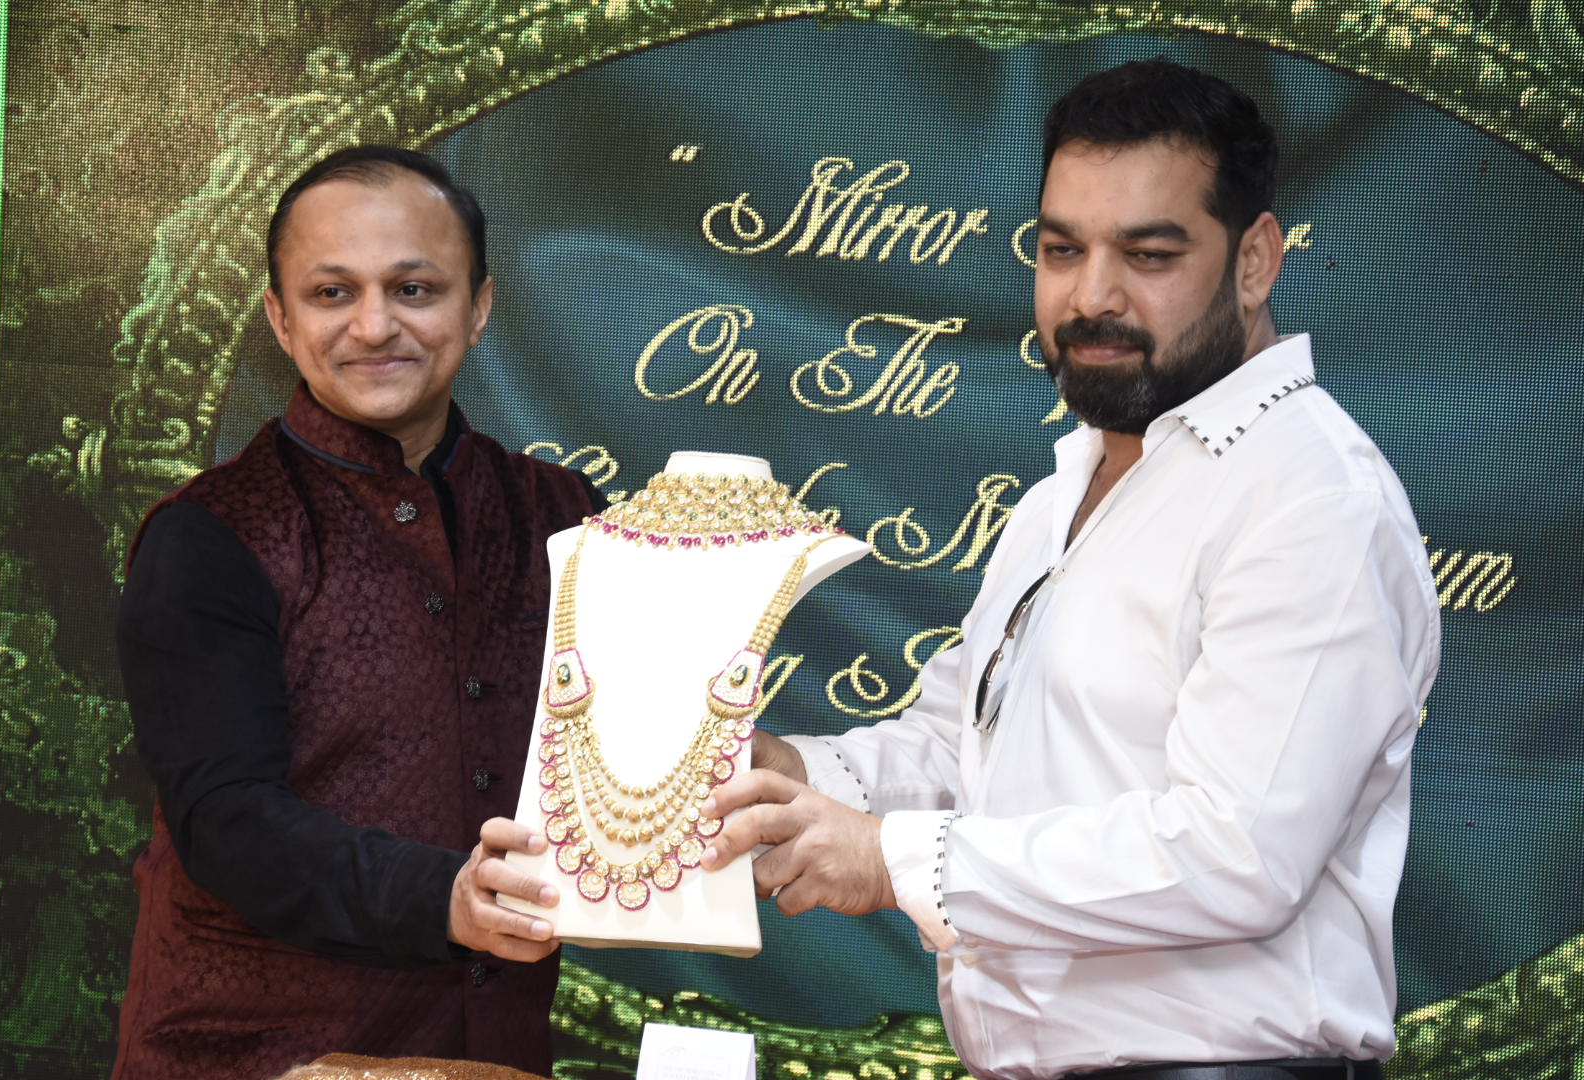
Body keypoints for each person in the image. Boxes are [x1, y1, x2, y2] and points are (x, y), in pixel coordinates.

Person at [702, 60, 1441, 1080]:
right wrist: (793, 780)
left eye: (1149, 254)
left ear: (1255, 260)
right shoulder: (1060, 496)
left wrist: (888, 858)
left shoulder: (1312, 498)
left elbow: (1235, 856)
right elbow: (961, 751)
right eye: (1061, 250)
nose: (1092, 296)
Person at [112, 147, 594, 1079]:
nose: (375, 325)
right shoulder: (212, 534)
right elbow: (227, 819)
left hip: (497, 1050)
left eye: (414, 288)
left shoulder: (563, 517)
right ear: (280, 318)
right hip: (252, 1055)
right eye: (333, 293)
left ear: (478, 307)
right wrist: (443, 899)